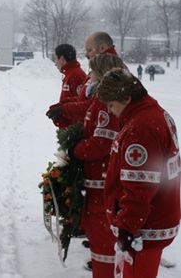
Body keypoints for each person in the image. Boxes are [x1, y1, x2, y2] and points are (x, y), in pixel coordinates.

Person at [97, 68, 180, 278]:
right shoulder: (151, 113)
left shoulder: (140, 129)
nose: (110, 110)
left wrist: (127, 227)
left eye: (111, 105)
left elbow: (140, 187)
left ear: (126, 97)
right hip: (153, 219)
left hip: (143, 228)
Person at [71, 55, 125, 278]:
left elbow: (102, 141)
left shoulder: (105, 101)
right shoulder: (100, 98)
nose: (88, 75)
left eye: (91, 71)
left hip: (102, 185)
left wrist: (76, 150)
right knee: (100, 244)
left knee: (104, 246)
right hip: (98, 184)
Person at [46, 32, 119, 127]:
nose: (86, 55)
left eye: (89, 50)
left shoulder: (113, 70)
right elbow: (83, 98)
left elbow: (94, 106)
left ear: (102, 48)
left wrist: (65, 110)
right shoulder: (97, 70)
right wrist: (64, 104)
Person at [49, 44, 87, 128]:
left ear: (62, 59)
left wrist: (73, 130)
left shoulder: (76, 75)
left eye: (56, 58)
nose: (55, 63)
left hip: (73, 128)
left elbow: (81, 104)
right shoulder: (70, 74)